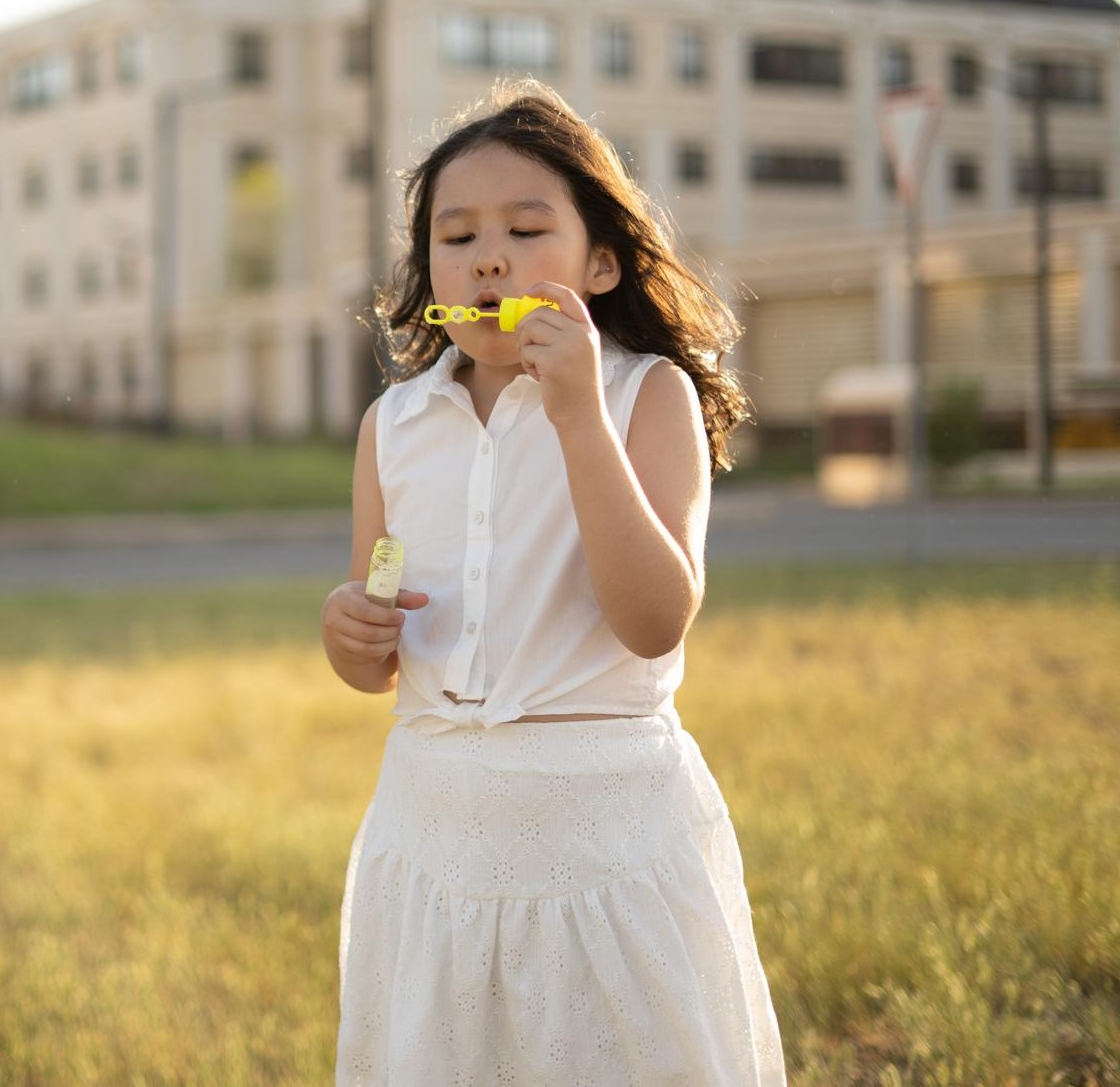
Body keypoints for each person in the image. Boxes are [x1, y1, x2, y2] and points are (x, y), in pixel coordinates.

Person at [321, 79, 786, 1083]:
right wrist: (345, 632)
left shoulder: (642, 397)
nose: (487, 256)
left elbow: (655, 618)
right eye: (455, 236)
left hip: (601, 832)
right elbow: (374, 623)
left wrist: (576, 413)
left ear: (602, 261)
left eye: (526, 228)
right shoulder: (391, 428)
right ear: (426, 268)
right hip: (434, 827)